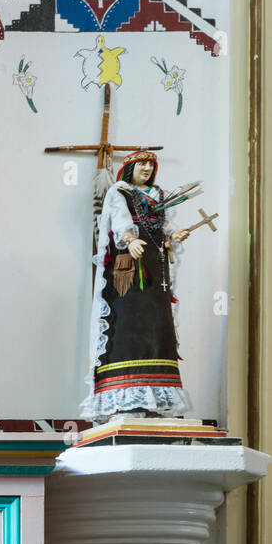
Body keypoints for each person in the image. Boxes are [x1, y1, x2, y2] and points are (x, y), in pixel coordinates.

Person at [80, 150, 193, 421]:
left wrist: (171, 237)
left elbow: (161, 230)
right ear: (130, 168)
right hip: (129, 269)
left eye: (150, 164)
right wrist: (129, 239)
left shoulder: (160, 195)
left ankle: (156, 398)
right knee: (130, 325)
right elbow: (119, 223)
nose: (146, 168)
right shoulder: (120, 192)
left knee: (159, 328)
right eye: (141, 163)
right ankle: (127, 396)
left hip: (156, 267)